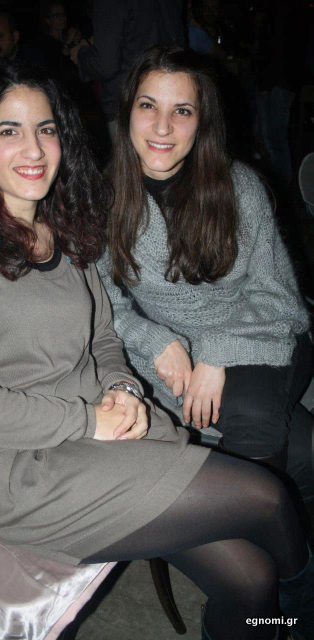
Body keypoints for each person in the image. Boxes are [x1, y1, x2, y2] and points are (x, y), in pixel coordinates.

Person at [0, 58, 312, 640]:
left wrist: (121, 387)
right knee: (268, 499)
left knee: (249, 580)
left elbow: (103, 335)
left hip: (99, 436)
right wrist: (88, 419)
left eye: (46, 129)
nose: (33, 148)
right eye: (9, 130)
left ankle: (273, 621)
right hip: (20, 470)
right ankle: (303, 610)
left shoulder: (65, 233)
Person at [98, 44, 313, 501]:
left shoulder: (239, 188)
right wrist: (154, 339)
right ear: (127, 112)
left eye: (182, 110)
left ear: (202, 121)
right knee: (302, 454)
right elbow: (101, 301)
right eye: (148, 106)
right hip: (172, 354)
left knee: (253, 416)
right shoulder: (104, 199)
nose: (162, 127)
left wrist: (217, 353)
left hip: (261, 335)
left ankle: (250, 536)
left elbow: (280, 300)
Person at [70, 0, 185, 140]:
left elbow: (105, 66)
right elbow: (180, 54)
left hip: (126, 106)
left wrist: (81, 54)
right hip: (170, 102)